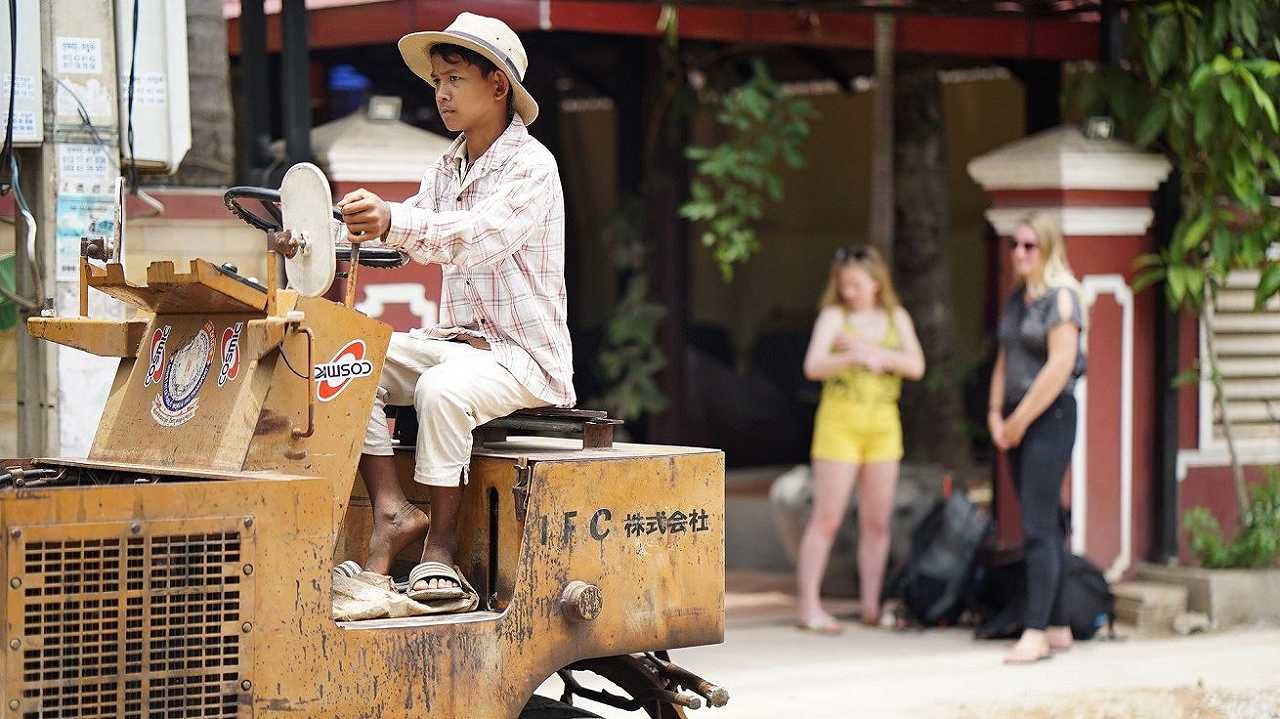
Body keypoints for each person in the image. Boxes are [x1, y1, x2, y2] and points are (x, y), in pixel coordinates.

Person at [336, 12, 574, 600]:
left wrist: (394, 220)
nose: (440, 93)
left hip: (524, 358)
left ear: (498, 87)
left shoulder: (531, 167)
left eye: (453, 80)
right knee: (344, 359)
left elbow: (472, 235)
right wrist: (337, 233)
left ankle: (439, 551)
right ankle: (392, 511)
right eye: (436, 81)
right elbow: (411, 233)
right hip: (458, 344)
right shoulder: (447, 165)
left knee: (440, 392)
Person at [796, 246, 925, 634]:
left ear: (875, 282)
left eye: (855, 283)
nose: (849, 291)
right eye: (843, 284)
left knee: (877, 520)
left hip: (883, 425)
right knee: (828, 517)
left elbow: (915, 365)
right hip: (840, 424)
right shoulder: (834, 317)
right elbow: (813, 365)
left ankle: (871, 605)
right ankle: (809, 606)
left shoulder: (894, 317)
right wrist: (852, 358)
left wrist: (873, 352)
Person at [987, 212, 1086, 663]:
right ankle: (1059, 622)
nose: (1020, 253)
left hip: (1050, 417)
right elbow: (1005, 358)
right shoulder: (1018, 298)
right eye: (1016, 244)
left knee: (1038, 525)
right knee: (1042, 518)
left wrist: (1020, 419)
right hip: (1015, 418)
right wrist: (994, 413)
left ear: (1048, 249)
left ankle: (1036, 630)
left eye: (1030, 245)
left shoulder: (1062, 298)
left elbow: (1059, 366)